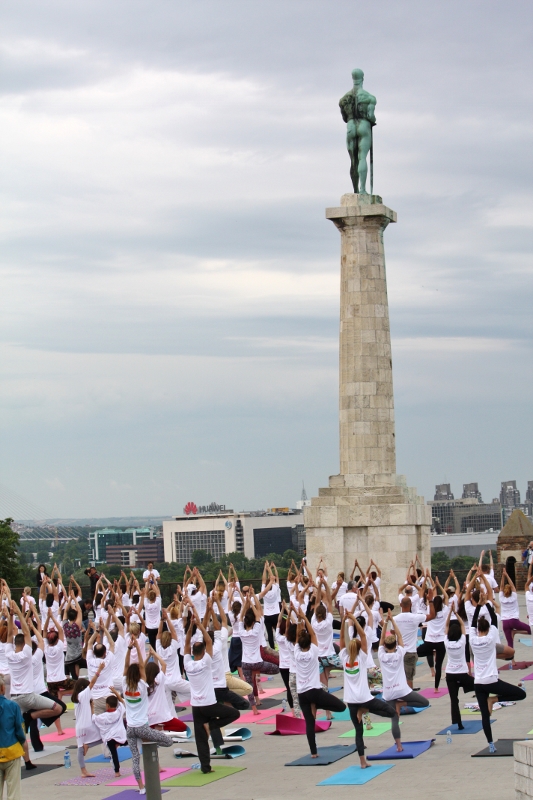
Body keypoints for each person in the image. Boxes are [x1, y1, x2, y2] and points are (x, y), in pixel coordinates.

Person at [184, 606, 240, 774]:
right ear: (203, 652)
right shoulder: (206, 662)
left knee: (201, 739)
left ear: (193, 652)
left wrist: (191, 626)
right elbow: (209, 641)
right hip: (209, 703)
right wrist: (200, 626)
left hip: (196, 706)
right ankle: (211, 725)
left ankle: (206, 768)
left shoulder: (188, 664)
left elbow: (187, 643)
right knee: (234, 714)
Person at [340, 611, 395, 767]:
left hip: (351, 701)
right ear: (359, 649)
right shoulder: (362, 658)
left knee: (359, 732)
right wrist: (352, 620)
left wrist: (345, 622)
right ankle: (365, 710)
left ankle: (362, 762)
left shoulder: (344, 657)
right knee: (391, 712)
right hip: (364, 698)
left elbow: (343, 640)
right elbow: (363, 636)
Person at [470, 600, 526, 750]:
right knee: (521, 694)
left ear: (477, 629)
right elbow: (494, 618)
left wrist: (478, 607)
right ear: (488, 629)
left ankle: (490, 744)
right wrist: (486, 604)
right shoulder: (490, 638)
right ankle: (494, 699)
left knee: (484, 716)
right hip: (491, 681)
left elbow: (473, 623)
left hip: (478, 683)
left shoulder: (472, 639)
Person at [122, 637, 173, 794]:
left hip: (130, 728)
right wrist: (138, 647)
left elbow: (126, 666)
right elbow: (142, 667)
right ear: (139, 674)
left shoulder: (124, 684)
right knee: (168, 741)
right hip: (142, 727)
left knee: (135, 759)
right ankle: (152, 746)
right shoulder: (142, 685)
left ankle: (141, 787)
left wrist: (130, 649)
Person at [294, 608, 346, 757]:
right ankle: (319, 705)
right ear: (310, 643)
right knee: (341, 707)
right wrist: (304, 617)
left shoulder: (296, 653)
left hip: (302, 694)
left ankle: (313, 753)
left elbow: (300, 636)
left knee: (310, 723)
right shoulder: (314, 651)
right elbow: (313, 634)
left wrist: (300, 620)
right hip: (315, 692)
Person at [378, 611, 429, 747]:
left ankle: (399, 745)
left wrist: (386, 622)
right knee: (424, 702)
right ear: (395, 645)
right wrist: (392, 621)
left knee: (394, 719)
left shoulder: (381, 655)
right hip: (401, 690)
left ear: (384, 646)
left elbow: (382, 638)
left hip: (388, 692)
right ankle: (402, 704)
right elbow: (399, 636)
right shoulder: (400, 653)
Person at [239, 588, 279, 713]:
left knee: (249, 685)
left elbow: (241, 617)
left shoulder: (241, 631)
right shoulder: (256, 631)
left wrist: (246, 604)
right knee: (277, 668)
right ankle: (256, 671)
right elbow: (259, 614)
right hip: (257, 662)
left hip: (245, 663)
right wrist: (252, 601)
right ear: (253, 622)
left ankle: (254, 709)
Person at [339, 68, 376, 194]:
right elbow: (371, 116)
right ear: (362, 78)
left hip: (350, 127)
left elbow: (344, 118)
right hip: (364, 126)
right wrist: (372, 120)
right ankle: (363, 190)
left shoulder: (344, 99)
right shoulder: (369, 97)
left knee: (353, 161)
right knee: (362, 158)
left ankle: (354, 190)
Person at [443, 605, 475, 729]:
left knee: (454, 700)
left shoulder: (446, 641)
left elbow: (446, 626)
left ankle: (459, 723)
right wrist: (456, 613)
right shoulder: (462, 640)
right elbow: (463, 625)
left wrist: (450, 613)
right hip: (462, 674)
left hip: (450, 674)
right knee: (479, 686)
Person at [0, 675, 26, 800]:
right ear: (2, 688)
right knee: (14, 792)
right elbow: (20, 731)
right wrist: (21, 742)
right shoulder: (13, 706)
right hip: (11, 750)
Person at [393, 596, 426, 689]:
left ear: (400, 605)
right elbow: (431, 616)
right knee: (409, 677)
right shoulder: (415, 617)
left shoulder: (395, 618)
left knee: (401, 675)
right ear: (411, 605)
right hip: (410, 651)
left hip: (399, 651)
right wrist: (430, 601)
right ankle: (409, 695)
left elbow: (392, 632)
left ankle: (404, 693)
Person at [92, 692, 128, 778]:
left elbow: (93, 718)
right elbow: (122, 702)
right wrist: (115, 692)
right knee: (127, 740)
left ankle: (117, 772)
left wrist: (91, 706)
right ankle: (119, 743)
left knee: (114, 754)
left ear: (107, 705)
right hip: (121, 737)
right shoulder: (119, 711)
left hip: (110, 739)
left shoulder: (102, 716)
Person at [417, 590, 446, 691]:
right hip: (440, 641)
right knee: (439, 665)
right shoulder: (445, 610)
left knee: (417, 652)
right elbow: (445, 596)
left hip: (430, 640)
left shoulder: (430, 608)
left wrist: (430, 599)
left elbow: (429, 602)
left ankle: (431, 652)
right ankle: (436, 688)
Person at [499, 567, 530, 659]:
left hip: (505, 622)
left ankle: (512, 661)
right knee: (530, 630)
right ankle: (515, 632)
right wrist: (507, 575)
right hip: (513, 620)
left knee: (510, 643)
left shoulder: (501, 598)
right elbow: (512, 585)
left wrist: (503, 576)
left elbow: (501, 587)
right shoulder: (514, 596)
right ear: (511, 591)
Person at [260, 562, 281, 649]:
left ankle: (272, 648)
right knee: (278, 632)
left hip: (267, 615)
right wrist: (269, 568)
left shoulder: (264, 592)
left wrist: (265, 569)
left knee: (269, 633)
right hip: (276, 613)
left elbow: (264, 580)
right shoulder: (275, 590)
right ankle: (280, 646)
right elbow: (273, 579)